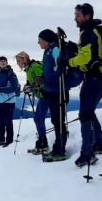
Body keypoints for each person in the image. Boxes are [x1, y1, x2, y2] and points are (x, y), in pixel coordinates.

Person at [68, 3, 102, 168]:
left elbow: (85, 58)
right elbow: (89, 53)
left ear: (87, 16)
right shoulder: (96, 31)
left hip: (93, 78)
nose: (75, 18)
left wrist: (70, 61)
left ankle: (87, 154)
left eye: (78, 15)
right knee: (89, 111)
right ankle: (99, 143)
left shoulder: (87, 32)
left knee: (84, 114)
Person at [38, 30, 69, 162]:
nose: (38, 42)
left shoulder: (55, 50)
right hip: (53, 90)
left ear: (46, 40)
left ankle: (60, 149)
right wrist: (43, 79)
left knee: (58, 120)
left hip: (58, 90)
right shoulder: (49, 51)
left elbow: (58, 70)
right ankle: (58, 147)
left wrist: (44, 80)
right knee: (56, 120)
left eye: (40, 40)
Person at [15, 51, 49, 154]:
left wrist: (32, 87)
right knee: (38, 119)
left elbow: (43, 80)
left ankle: (43, 145)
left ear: (24, 59)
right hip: (44, 96)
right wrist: (28, 86)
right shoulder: (29, 69)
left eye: (18, 61)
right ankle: (42, 144)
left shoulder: (33, 67)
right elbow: (33, 81)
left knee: (38, 119)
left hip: (46, 96)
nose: (17, 63)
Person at [0, 56, 20, 147]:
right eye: (1, 61)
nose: (3, 62)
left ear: (7, 63)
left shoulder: (11, 73)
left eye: (4, 61)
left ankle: (9, 140)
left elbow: (14, 88)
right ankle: (1, 139)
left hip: (9, 101)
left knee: (8, 121)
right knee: (0, 121)